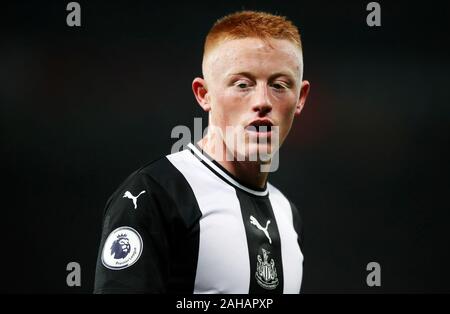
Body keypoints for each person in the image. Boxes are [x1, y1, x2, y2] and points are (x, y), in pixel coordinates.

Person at [94, 10, 310, 294]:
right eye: (242, 84)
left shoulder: (287, 215)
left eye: (279, 85)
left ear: (300, 98)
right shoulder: (155, 195)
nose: (262, 101)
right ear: (204, 94)